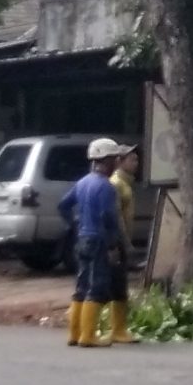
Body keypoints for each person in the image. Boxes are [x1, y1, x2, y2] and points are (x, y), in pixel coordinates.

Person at [59, 139, 127, 349]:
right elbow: (108, 216)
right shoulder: (105, 186)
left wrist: (75, 222)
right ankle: (88, 336)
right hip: (99, 240)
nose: (116, 163)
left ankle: (75, 333)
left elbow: (63, 205)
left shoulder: (82, 182)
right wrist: (113, 245)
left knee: (81, 286)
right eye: (114, 159)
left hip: (82, 239)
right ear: (105, 161)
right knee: (97, 287)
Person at [105, 147, 142, 345]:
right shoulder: (116, 184)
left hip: (122, 240)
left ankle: (118, 328)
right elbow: (117, 217)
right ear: (120, 161)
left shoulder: (126, 183)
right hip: (117, 241)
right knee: (117, 286)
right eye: (132, 160)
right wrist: (125, 243)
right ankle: (116, 329)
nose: (136, 163)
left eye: (136, 159)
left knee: (120, 286)